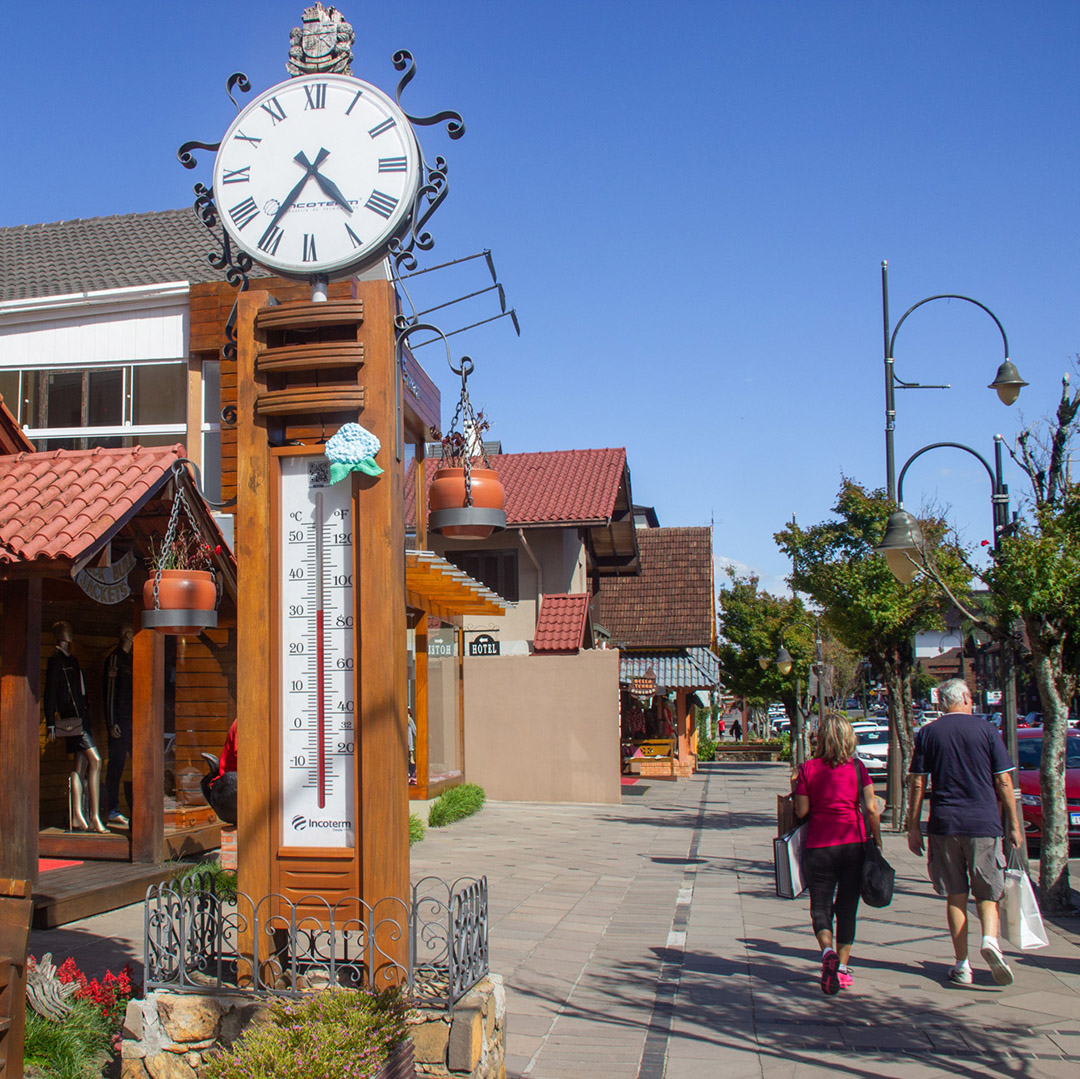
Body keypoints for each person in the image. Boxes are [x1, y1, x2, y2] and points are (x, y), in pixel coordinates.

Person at [907, 677, 1022, 987]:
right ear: (966, 699)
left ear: (942, 703)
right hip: (983, 823)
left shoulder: (928, 733)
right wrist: (1013, 824)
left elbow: (918, 782)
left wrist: (913, 825)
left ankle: (962, 965)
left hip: (944, 824)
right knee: (988, 891)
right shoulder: (987, 730)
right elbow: (1004, 781)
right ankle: (990, 941)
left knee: (955, 895)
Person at [793, 711, 881, 995]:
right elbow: (870, 808)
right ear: (847, 738)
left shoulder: (807, 769)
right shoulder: (858, 768)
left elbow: (802, 811)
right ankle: (841, 969)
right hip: (853, 844)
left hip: (819, 846)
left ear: (821, 739)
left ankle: (827, 952)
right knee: (847, 909)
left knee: (820, 906)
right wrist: (876, 840)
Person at [44, 620, 106, 832]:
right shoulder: (56, 661)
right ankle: (94, 817)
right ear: (58, 634)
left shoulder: (72, 659)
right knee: (96, 760)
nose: (68, 632)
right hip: (71, 720)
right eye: (64, 630)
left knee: (80, 766)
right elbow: (49, 693)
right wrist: (50, 723)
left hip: (82, 718)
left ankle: (78, 815)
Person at [102, 625, 134, 825]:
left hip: (132, 720)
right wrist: (111, 721)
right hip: (120, 722)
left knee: (138, 763)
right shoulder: (115, 659)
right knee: (116, 765)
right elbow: (110, 691)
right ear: (125, 634)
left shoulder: (132, 659)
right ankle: (112, 809)